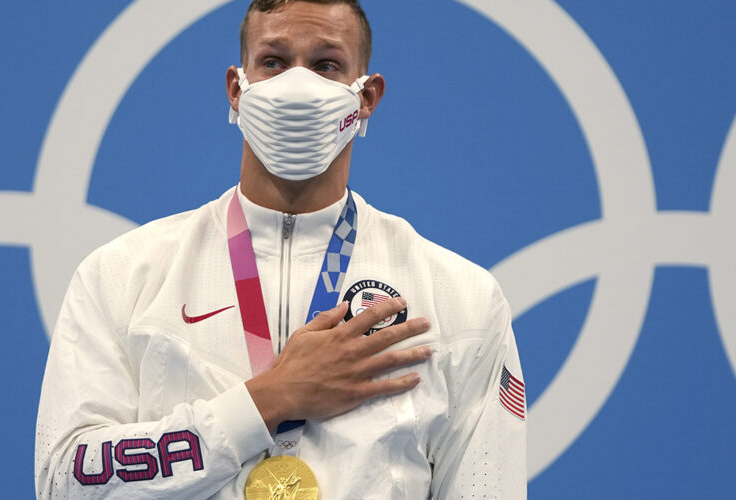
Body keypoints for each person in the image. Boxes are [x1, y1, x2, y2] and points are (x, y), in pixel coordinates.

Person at [35, 0, 526, 498]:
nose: (298, 85)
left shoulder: (461, 299)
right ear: (236, 89)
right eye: (273, 61)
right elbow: (63, 482)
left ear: (367, 97)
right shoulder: (121, 276)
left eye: (325, 65)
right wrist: (264, 402)